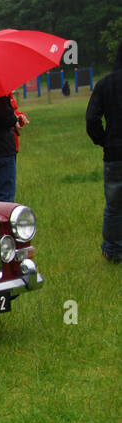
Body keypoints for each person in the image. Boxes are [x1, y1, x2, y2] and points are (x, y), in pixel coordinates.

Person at [86, 40, 122, 263]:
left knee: (114, 205)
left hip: (115, 152)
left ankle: (113, 249)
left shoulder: (105, 84)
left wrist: (103, 140)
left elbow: (92, 119)